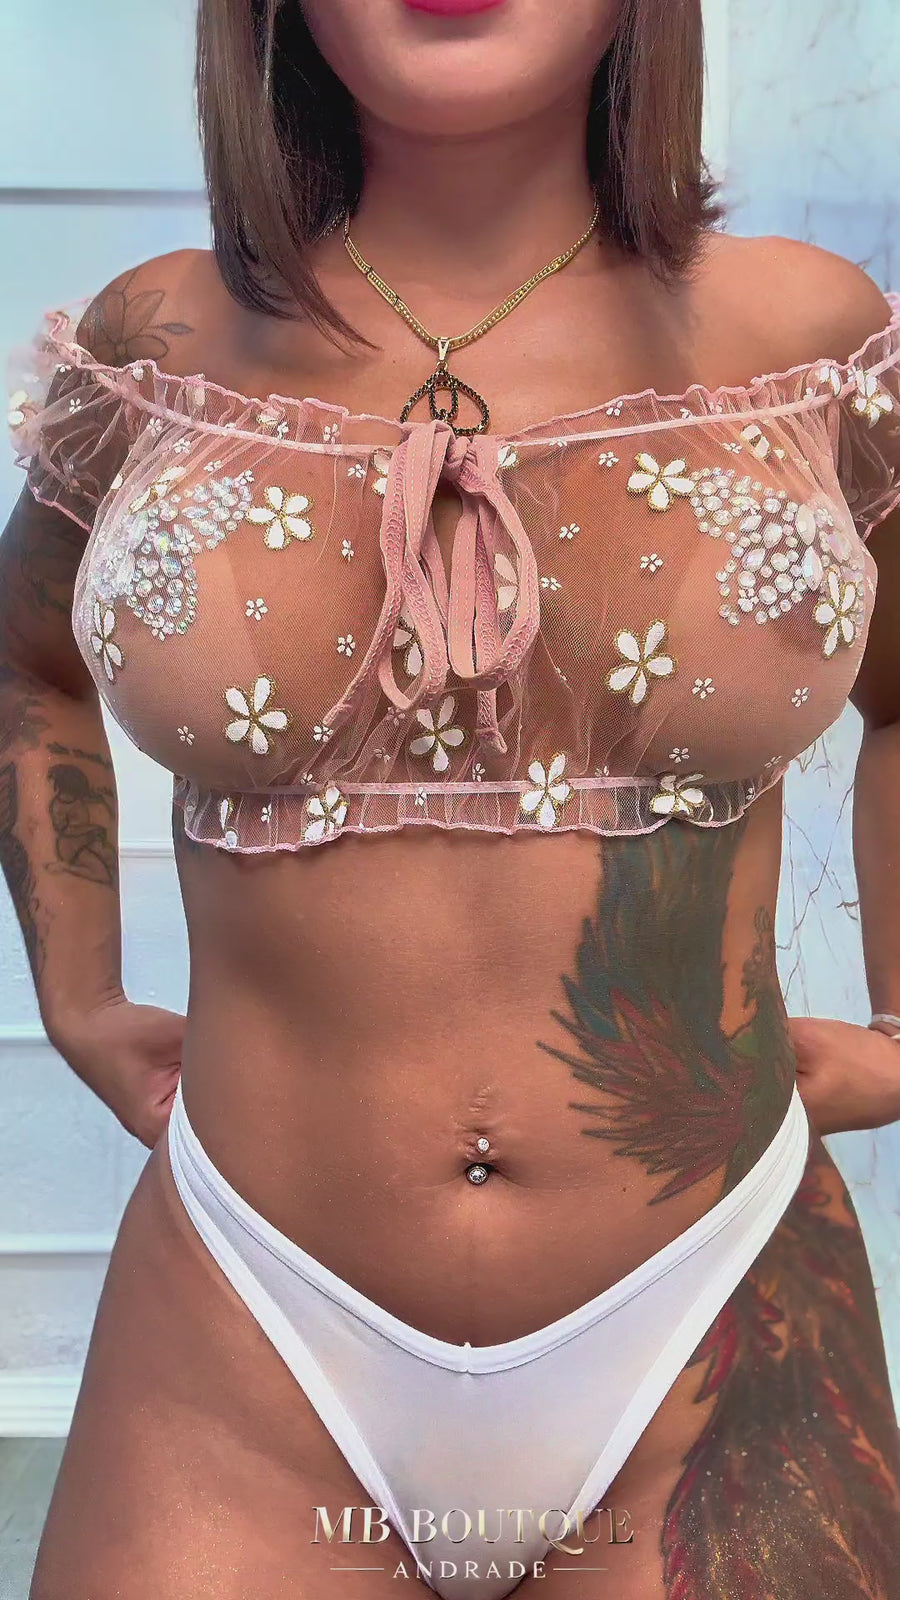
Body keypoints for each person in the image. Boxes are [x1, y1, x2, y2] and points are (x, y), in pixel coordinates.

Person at [3, 1, 900, 1595]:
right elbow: (28, 665)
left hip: (716, 1330)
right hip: (242, 1335)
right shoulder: (159, 349)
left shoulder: (811, 340)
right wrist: (76, 995)